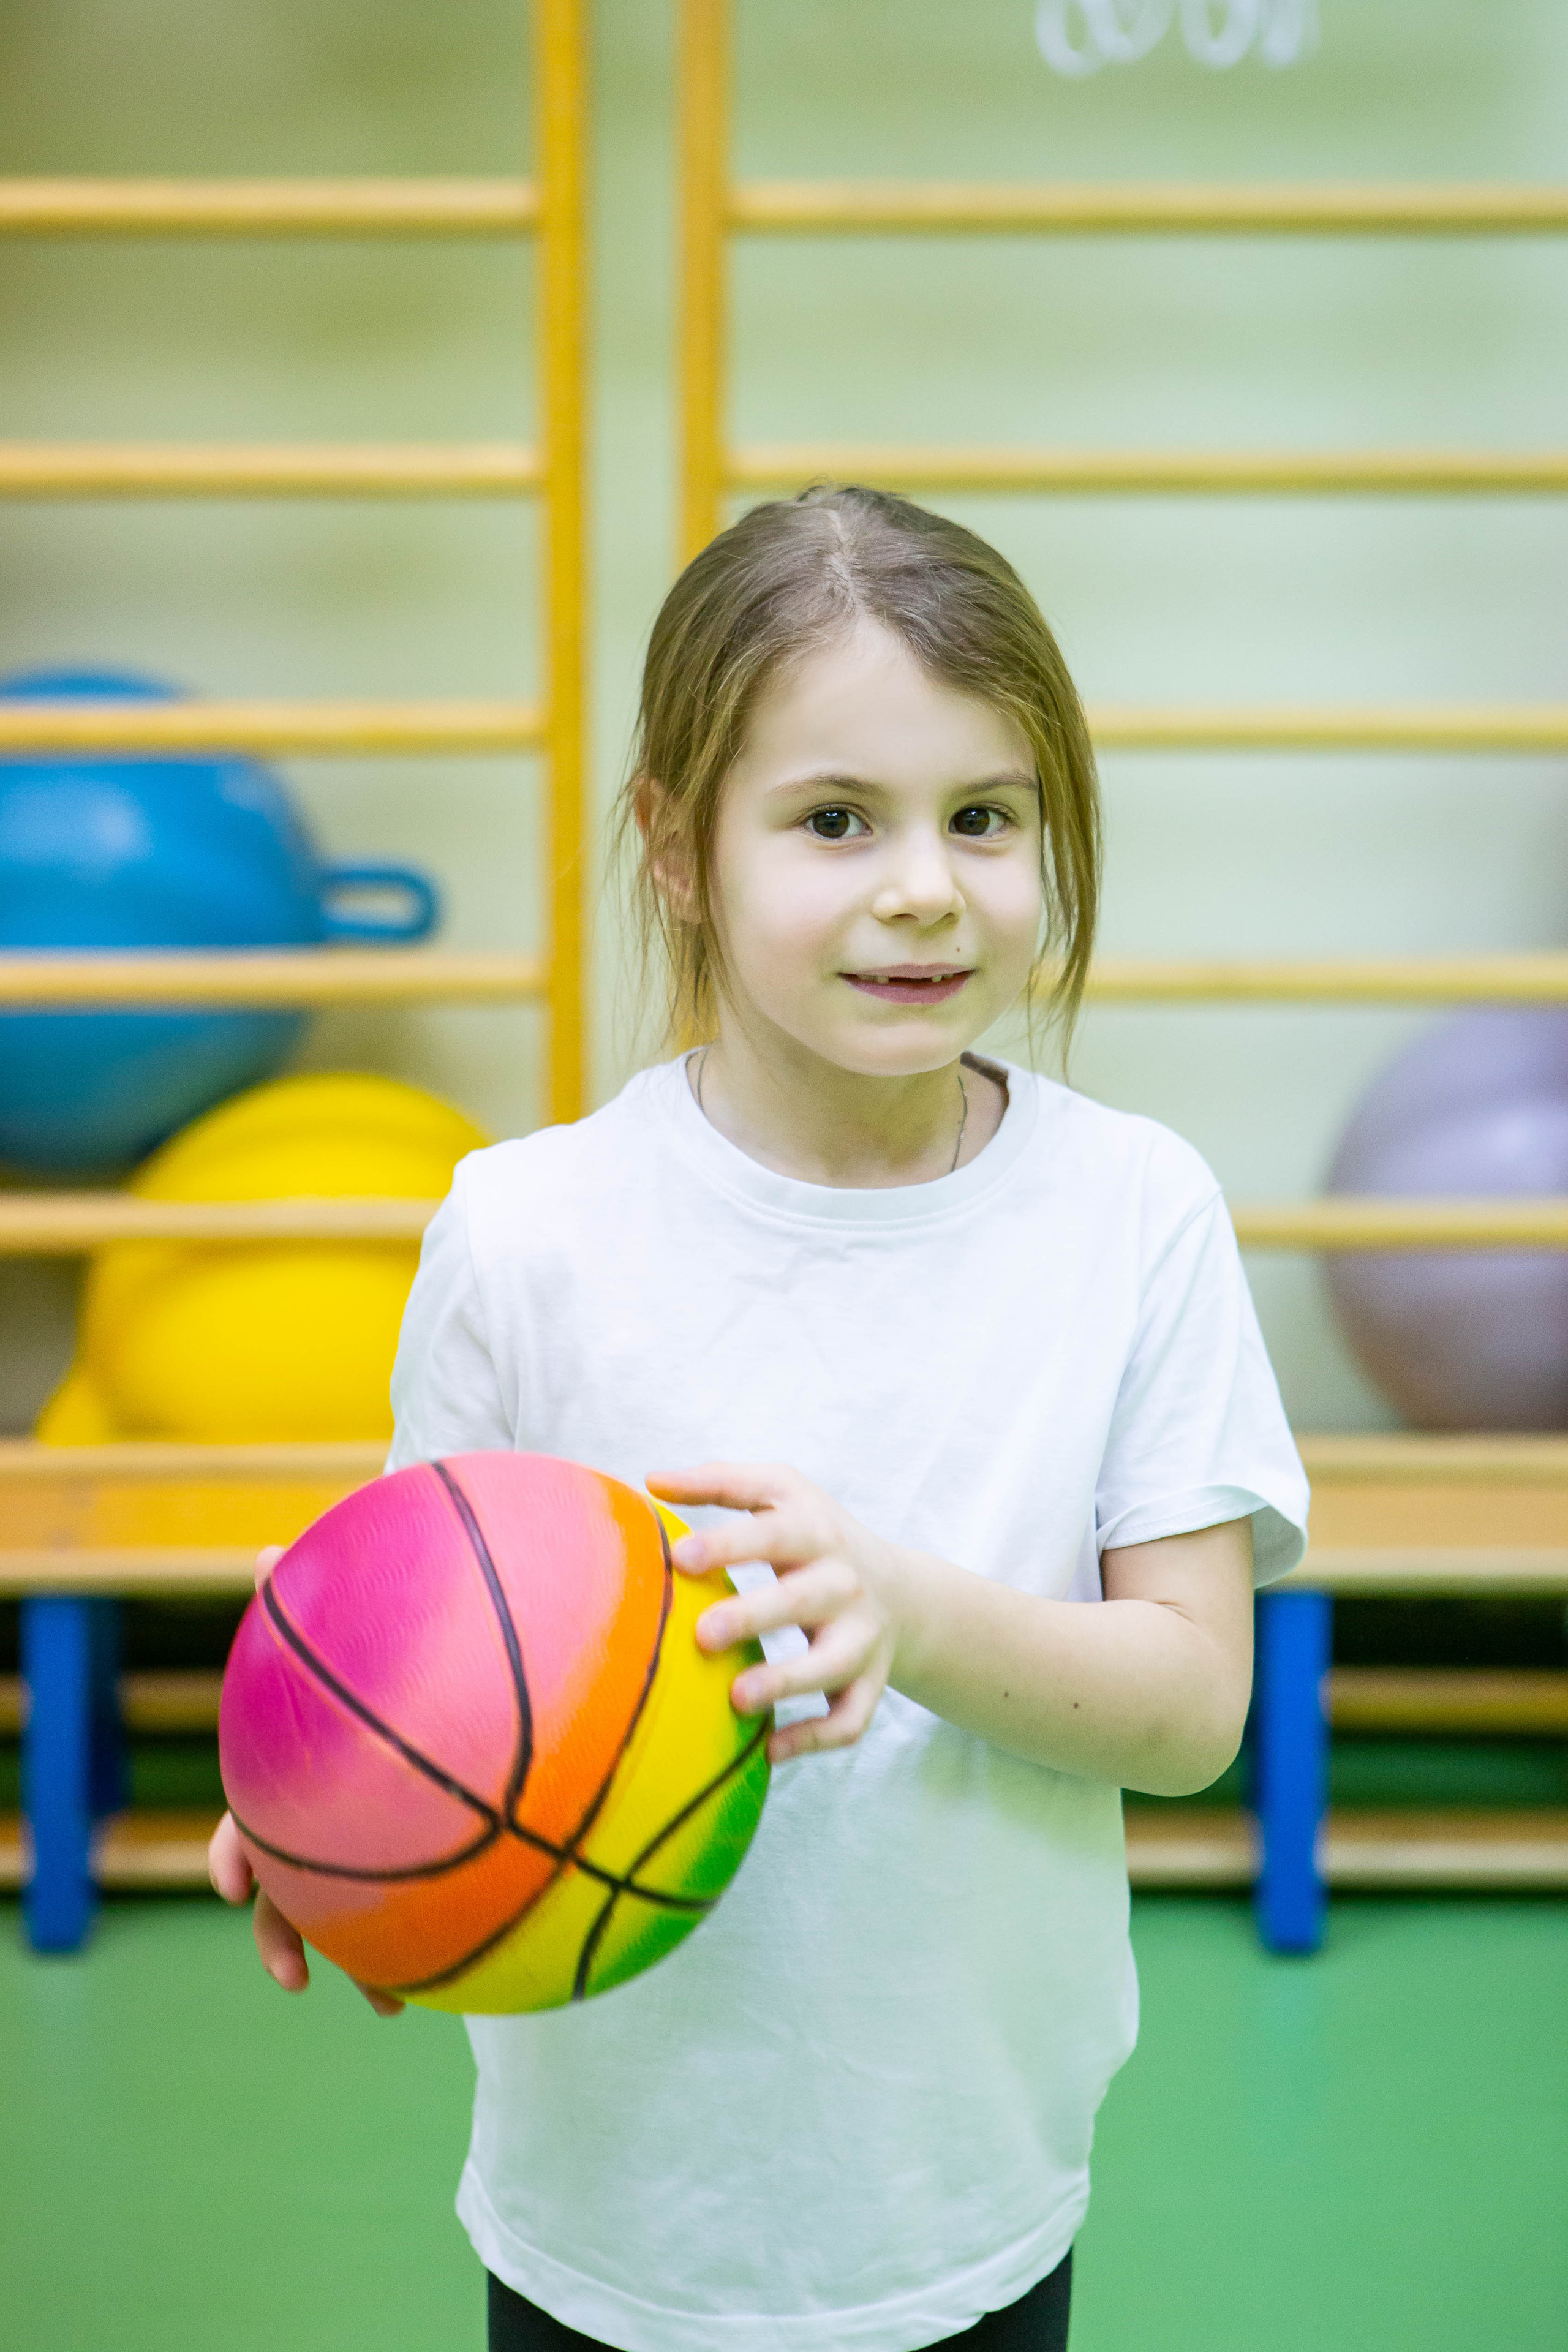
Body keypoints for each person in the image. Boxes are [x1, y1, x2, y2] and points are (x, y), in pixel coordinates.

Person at [211, 486, 1309, 2351]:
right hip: (604, 2230)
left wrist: (909, 1607)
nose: (923, 885)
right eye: (834, 819)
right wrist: (322, 1781)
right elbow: (424, 1654)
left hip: (968, 2216)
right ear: (677, 846)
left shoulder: (1135, 1211)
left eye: (986, 817)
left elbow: (1199, 1707)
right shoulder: (525, 1232)